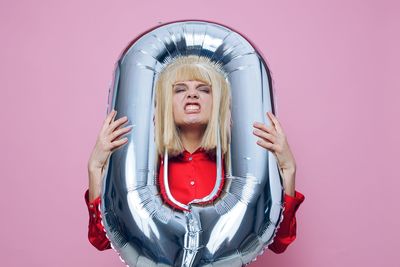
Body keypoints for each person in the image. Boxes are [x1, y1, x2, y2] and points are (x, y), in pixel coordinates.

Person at [85, 55, 305, 255]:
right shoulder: (148, 173)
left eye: (204, 89)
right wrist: (95, 168)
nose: (192, 94)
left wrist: (288, 171)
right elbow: (102, 240)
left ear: (217, 101)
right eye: (179, 89)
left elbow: (278, 242)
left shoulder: (237, 172)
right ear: (165, 103)